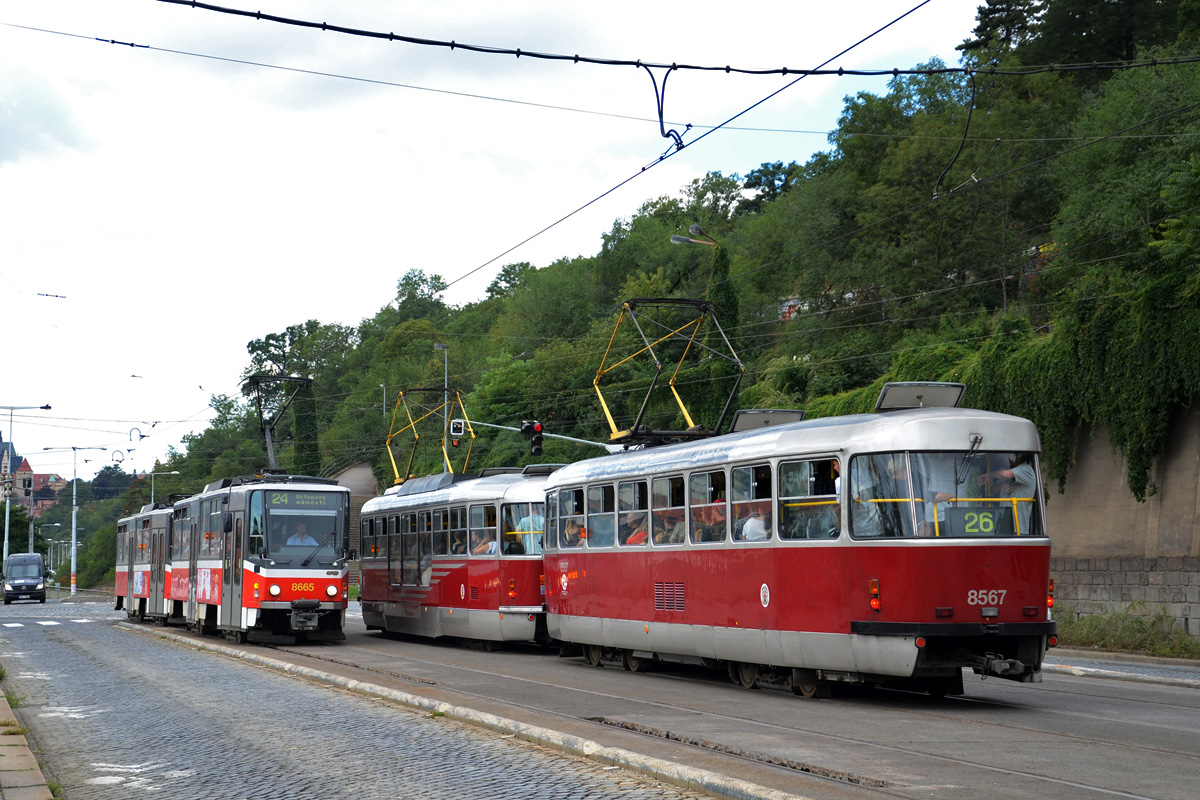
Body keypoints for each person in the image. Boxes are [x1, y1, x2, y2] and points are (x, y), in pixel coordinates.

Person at [978, 453, 1037, 535]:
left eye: (1007, 456)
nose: (1005, 459)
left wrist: (988, 475)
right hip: (1003, 520)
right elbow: (991, 490)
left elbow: (1005, 474)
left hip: (1018, 527)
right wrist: (1000, 487)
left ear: (1016, 456)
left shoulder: (1026, 469)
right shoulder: (1011, 471)